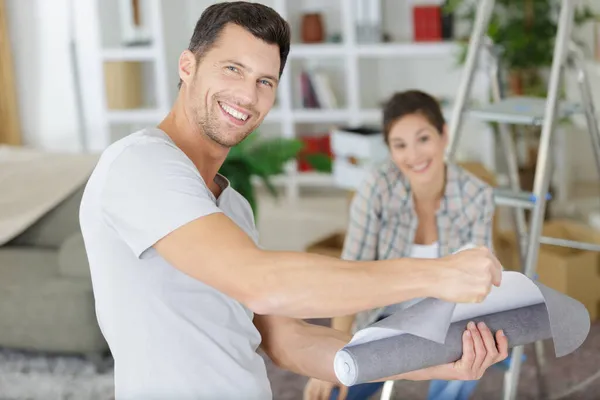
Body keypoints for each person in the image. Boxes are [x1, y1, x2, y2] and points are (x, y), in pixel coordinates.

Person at [78, 3, 507, 399]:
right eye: (232, 69)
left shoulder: (232, 208)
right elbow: (263, 283)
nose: (248, 95)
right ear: (187, 66)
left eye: (264, 81)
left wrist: (434, 361)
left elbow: (290, 342)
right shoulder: (139, 163)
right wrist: (433, 275)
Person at [303, 90, 498, 400]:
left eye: (423, 139)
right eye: (400, 145)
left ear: (443, 135)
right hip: (383, 322)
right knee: (331, 390)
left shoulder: (476, 197)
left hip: (450, 325)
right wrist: (334, 356)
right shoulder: (377, 188)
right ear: (390, 150)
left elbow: (478, 289)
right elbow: (350, 274)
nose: (414, 155)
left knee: (472, 356)